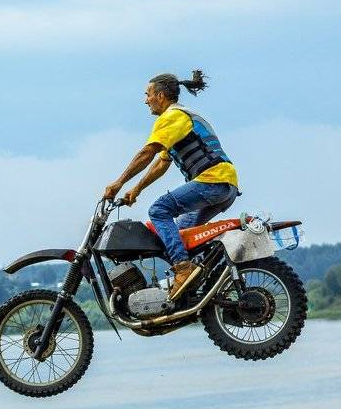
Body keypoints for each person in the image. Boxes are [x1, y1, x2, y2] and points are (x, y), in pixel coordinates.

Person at [102, 70, 239, 301]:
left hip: (213, 181)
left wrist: (118, 182)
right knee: (180, 234)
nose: (145, 100)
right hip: (225, 185)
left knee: (159, 210)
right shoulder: (181, 118)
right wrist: (136, 189)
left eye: (148, 94)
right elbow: (161, 162)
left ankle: (183, 270)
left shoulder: (172, 116)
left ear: (161, 95)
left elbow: (148, 153)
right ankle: (198, 290)